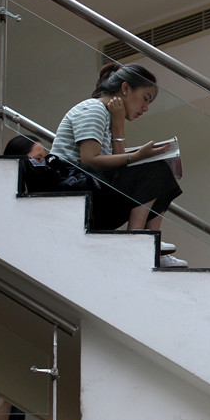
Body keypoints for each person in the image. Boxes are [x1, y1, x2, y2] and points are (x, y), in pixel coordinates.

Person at [50, 63, 186, 267]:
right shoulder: (93, 109)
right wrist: (137, 156)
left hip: (91, 188)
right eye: (145, 99)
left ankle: (151, 242)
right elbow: (89, 160)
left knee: (161, 175)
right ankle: (138, 237)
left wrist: (118, 125)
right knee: (154, 170)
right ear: (125, 88)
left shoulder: (108, 115)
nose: (146, 108)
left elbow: (118, 166)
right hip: (74, 187)